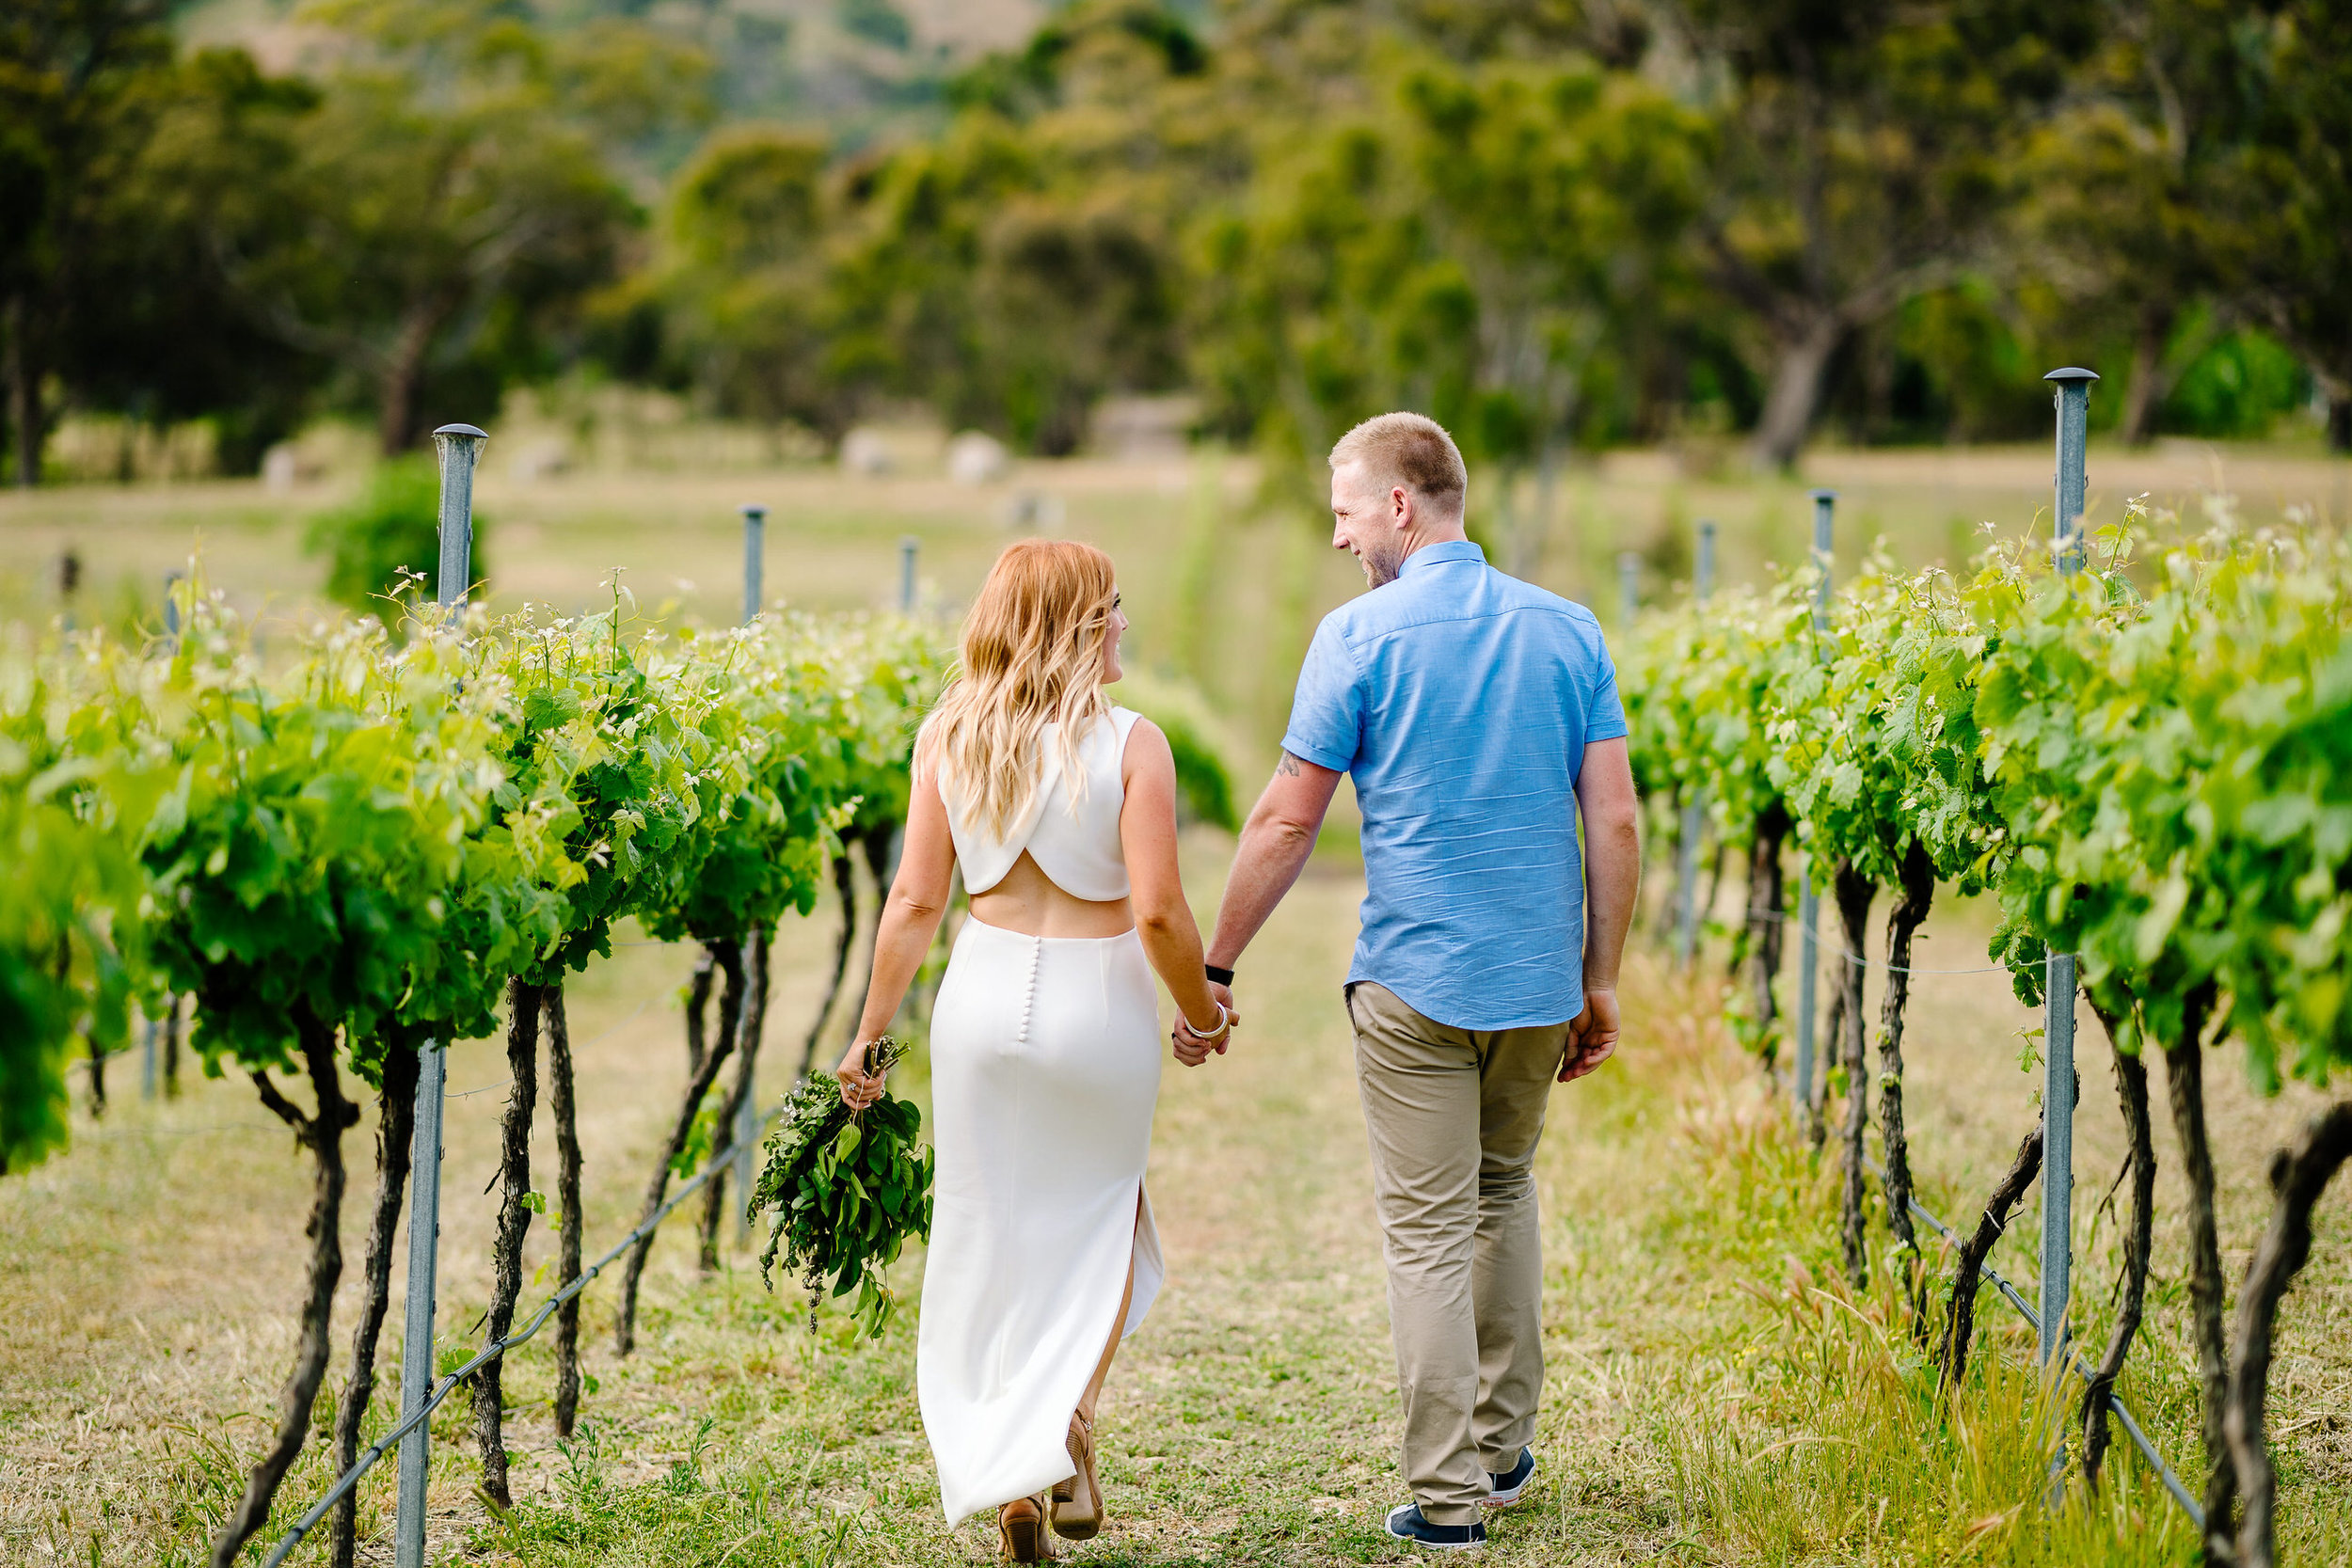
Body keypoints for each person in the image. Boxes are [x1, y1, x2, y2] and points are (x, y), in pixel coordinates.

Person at [1192, 411, 1642, 1550]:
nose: (1339, 536)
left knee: (1431, 1231)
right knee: (1503, 1193)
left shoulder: (1356, 638)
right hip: (1538, 979)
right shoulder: (1568, 628)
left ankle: (1448, 1500)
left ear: (1400, 503)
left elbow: (1289, 817)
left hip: (1414, 983)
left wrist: (1215, 961)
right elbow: (1616, 815)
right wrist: (1601, 978)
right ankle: (1500, 1451)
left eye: (1344, 510)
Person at [835, 538, 1235, 1562]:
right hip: (1094, 1005)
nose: (1124, 624)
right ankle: (1064, 1424)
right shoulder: (1133, 744)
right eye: (1110, 606)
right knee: (1105, 1224)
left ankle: (1013, 1455)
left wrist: (870, 1036)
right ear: (1072, 624)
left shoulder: (948, 736)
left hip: (978, 999)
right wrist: (1200, 1012)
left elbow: (917, 900)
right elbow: (1156, 910)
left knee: (987, 1228)